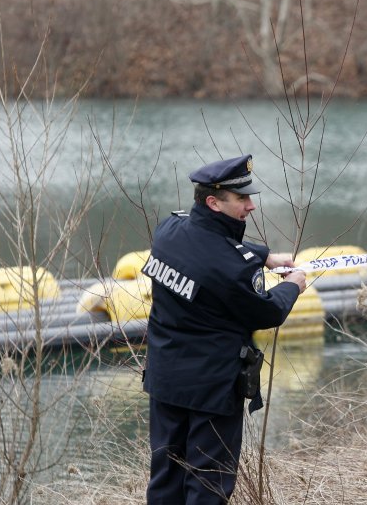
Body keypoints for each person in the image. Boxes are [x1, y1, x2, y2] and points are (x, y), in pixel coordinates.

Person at [141, 154, 306, 504]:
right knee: (208, 484)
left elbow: (208, 247)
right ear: (214, 202)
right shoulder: (233, 270)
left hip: (166, 381)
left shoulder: (168, 231)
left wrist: (263, 255)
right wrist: (293, 284)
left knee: (166, 478)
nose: (251, 206)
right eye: (242, 199)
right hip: (211, 391)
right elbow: (267, 312)